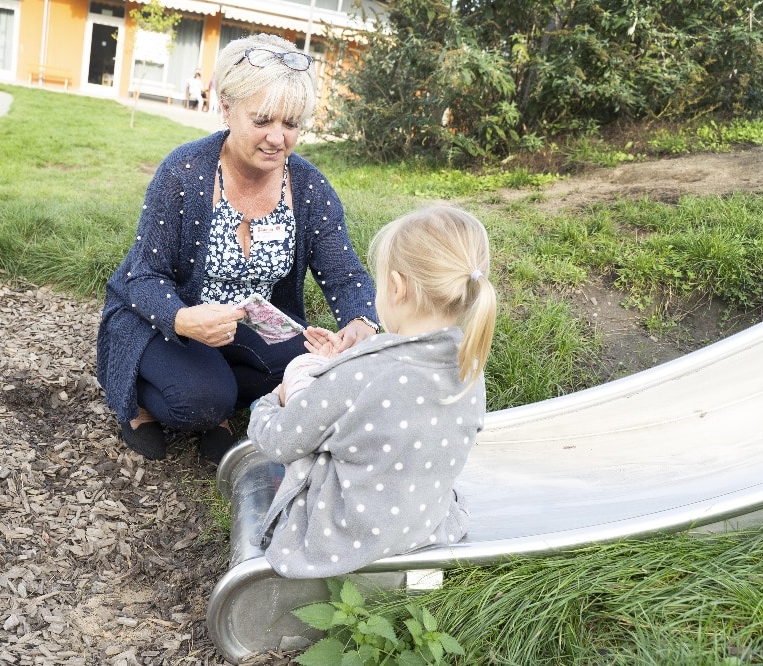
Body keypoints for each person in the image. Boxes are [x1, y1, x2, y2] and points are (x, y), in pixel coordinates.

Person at [95, 33, 380, 464]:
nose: (277, 138)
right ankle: (142, 401)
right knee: (200, 401)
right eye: (263, 120)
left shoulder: (307, 187)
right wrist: (184, 318)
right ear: (227, 107)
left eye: (291, 124)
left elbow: (345, 274)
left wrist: (361, 322)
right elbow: (143, 276)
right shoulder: (184, 172)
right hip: (166, 319)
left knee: (326, 368)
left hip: (250, 327)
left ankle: (219, 390)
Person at [247, 204, 498, 578]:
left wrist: (278, 398)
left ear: (396, 287)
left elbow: (278, 442)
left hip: (340, 539)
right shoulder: (469, 364)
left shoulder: (361, 376)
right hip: (424, 525)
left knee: (299, 389)